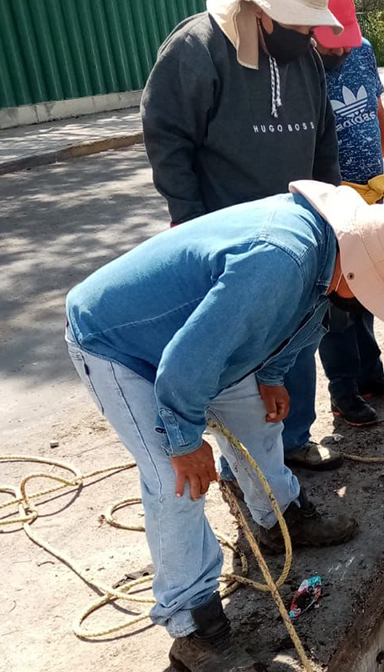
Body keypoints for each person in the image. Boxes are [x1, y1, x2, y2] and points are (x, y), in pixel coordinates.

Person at [64, 183, 384, 672]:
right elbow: (186, 361)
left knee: (260, 419)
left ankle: (278, 517)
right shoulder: (279, 259)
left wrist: (272, 374)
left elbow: (302, 321)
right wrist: (182, 439)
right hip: (121, 345)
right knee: (176, 482)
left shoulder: (325, 254)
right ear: (357, 266)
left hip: (193, 345)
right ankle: (193, 626)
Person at [141, 0, 346, 471]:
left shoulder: (306, 59)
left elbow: (323, 143)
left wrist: (330, 211)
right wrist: (190, 224)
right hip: (228, 245)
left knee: (296, 339)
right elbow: (167, 140)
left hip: (299, 236)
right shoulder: (198, 48)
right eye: (300, 22)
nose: (308, 33)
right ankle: (247, 465)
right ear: (260, 12)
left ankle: (293, 439)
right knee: (238, 353)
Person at [311, 0, 384, 426]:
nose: (338, 52)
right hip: (331, 202)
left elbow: (376, 113)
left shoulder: (363, 51)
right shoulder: (301, 66)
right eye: (329, 44)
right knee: (337, 300)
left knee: (368, 292)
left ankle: (370, 376)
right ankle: (344, 392)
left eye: (344, 43)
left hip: (371, 195)